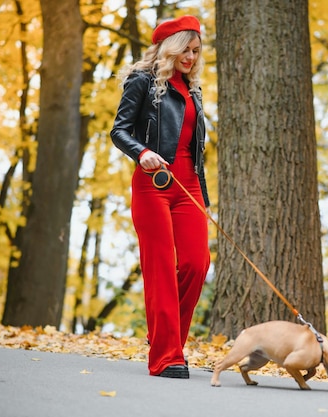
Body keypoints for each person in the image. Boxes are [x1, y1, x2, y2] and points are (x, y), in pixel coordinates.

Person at [110, 15, 210, 379]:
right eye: (186, 48)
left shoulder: (192, 90)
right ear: (170, 46)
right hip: (155, 182)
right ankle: (167, 356)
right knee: (161, 268)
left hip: (190, 187)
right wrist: (141, 152)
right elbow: (118, 130)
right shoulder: (142, 81)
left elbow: (194, 147)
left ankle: (168, 341)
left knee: (198, 265)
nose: (191, 57)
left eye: (197, 51)